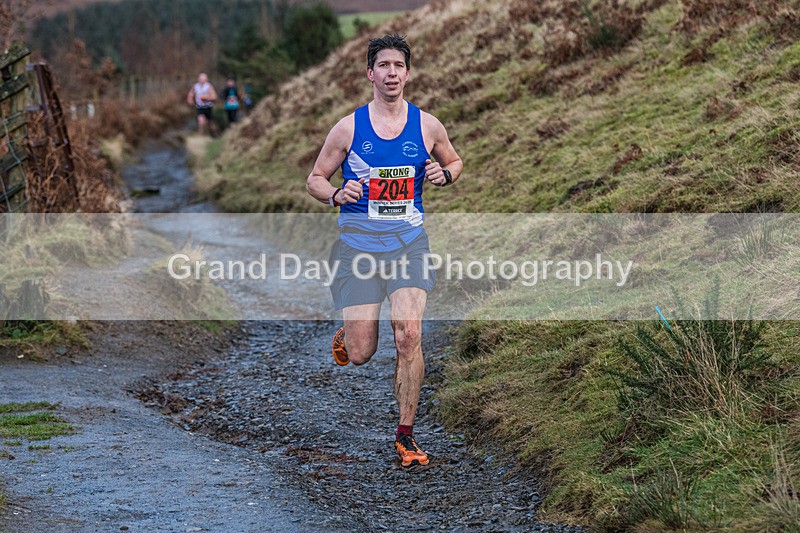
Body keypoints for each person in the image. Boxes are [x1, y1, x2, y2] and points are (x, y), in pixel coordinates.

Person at [305, 34, 463, 468]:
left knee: (408, 334)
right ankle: (349, 335)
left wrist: (443, 175)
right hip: (358, 248)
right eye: (384, 66)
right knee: (361, 353)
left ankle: (406, 434)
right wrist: (337, 194)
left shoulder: (427, 125)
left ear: (407, 73)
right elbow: (315, 178)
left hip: (409, 244)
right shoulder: (349, 128)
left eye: (399, 65)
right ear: (370, 73)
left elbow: (454, 161)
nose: (392, 73)